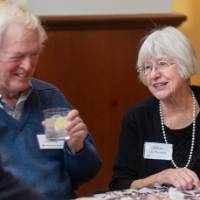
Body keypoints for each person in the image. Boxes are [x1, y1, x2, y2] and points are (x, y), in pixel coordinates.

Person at [0, 1, 101, 200]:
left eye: (34, 54)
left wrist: (77, 147)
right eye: (18, 56)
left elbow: (86, 174)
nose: (28, 66)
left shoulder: (48, 97)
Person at [109, 26, 200, 191]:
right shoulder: (136, 118)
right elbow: (119, 184)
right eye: (147, 67)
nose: (153, 75)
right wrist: (158, 178)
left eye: (162, 64)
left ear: (184, 63)